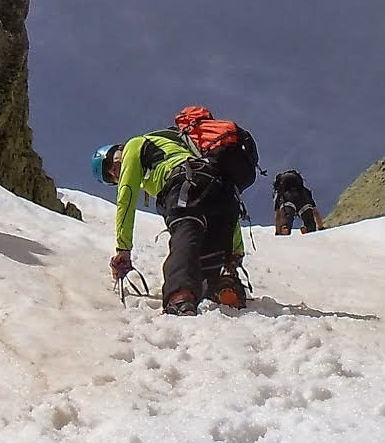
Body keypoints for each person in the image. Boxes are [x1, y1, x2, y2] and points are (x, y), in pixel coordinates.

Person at [93, 130, 247, 314]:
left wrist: (123, 249)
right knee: (208, 257)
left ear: (119, 150)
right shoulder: (176, 149)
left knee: (185, 230)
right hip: (218, 186)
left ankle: (179, 295)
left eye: (109, 164)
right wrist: (236, 250)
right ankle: (223, 284)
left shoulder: (134, 145)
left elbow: (126, 196)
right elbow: (230, 213)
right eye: (110, 178)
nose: (113, 172)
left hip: (186, 181)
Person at [271, 169, 323, 235]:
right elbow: (315, 212)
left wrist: (278, 232)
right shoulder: (305, 191)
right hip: (303, 196)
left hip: (287, 198)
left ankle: (285, 228)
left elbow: (278, 215)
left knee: (287, 218)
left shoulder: (280, 194)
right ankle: (307, 228)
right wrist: (321, 228)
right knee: (310, 222)